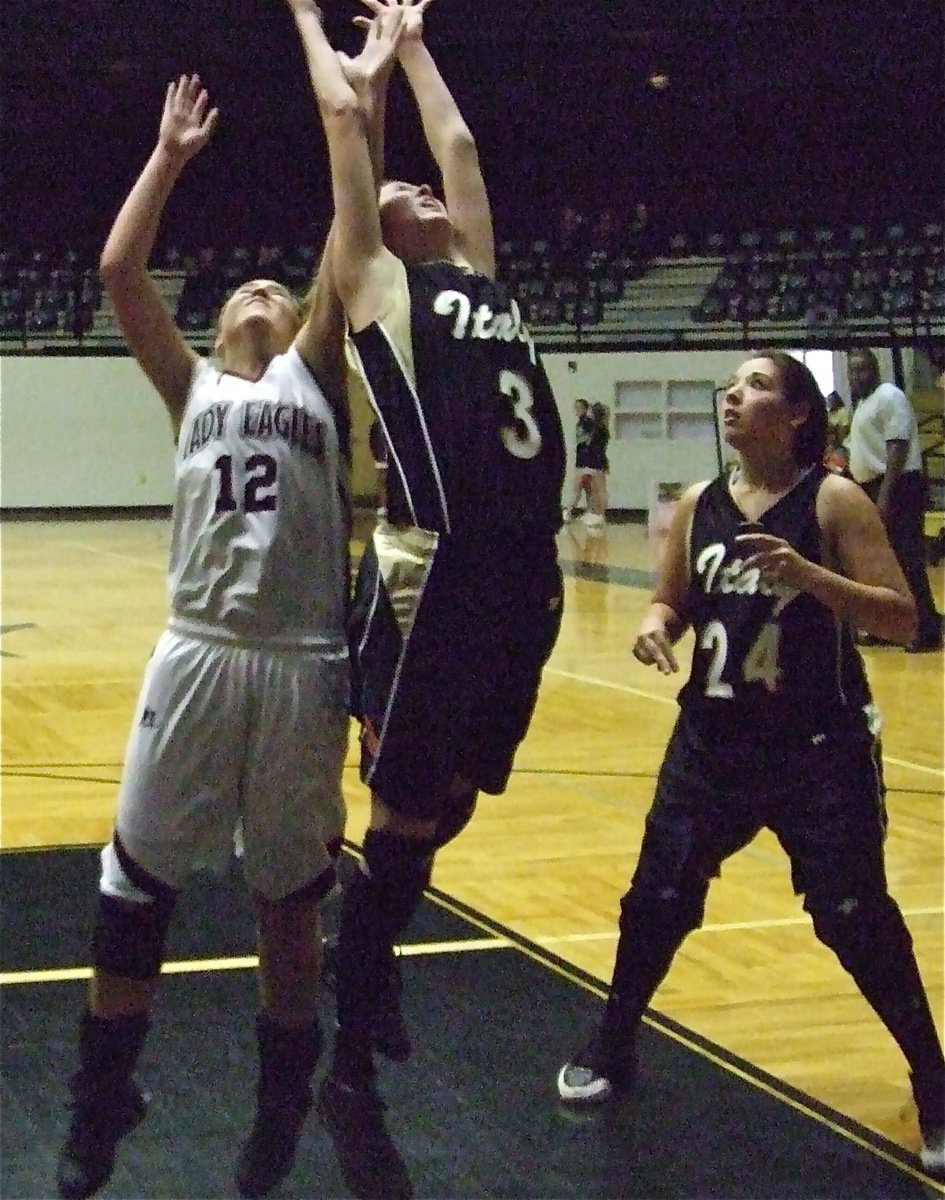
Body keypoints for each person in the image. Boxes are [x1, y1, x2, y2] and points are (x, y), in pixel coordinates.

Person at [53, 55, 366, 1199]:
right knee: (134, 886)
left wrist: (361, 96)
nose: (253, 295)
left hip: (297, 666)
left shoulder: (317, 378)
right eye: (238, 292)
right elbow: (119, 267)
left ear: (294, 324)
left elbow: (347, 235)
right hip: (194, 650)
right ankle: (100, 1099)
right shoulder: (192, 391)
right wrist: (170, 157)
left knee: (288, 900)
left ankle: (281, 1103)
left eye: (273, 294)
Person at [286, 0, 566, 1188]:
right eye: (402, 197)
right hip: (438, 568)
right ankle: (349, 1034)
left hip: (525, 570)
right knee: (405, 816)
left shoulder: (480, 276)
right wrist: (316, 24)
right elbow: (351, 127)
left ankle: (374, 956)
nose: (427, 193)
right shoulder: (376, 286)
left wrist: (415, 46)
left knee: (449, 802)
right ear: (378, 229)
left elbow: (460, 152)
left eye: (428, 196)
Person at [556, 351, 945, 1179]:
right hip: (710, 743)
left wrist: (811, 577)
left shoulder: (832, 500)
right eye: (729, 388)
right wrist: (656, 626)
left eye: (757, 386)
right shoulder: (700, 503)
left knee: (851, 914)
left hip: (815, 747)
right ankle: (613, 1039)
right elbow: (673, 599)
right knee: (657, 897)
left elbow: (907, 620)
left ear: (798, 414)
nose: (733, 396)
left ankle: (932, 1079)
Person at [847, 348, 943, 651]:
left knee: (906, 560)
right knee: (881, 564)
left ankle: (927, 630)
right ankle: (889, 628)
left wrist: (884, 498)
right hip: (872, 488)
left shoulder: (889, 396)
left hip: (897, 487)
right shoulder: (864, 403)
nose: (856, 376)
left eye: (862, 369)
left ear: (875, 369)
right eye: (852, 370)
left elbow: (897, 447)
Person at [563, 398, 598, 521]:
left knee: (578, 487)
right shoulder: (580, 423)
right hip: (582, 460)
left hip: (587, 461)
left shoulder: (588, 423)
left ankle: (568, 512)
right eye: (575, 407)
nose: (576, 410)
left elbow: (590, 439)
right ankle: (590, 512)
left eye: (579, 407)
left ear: (585, 409)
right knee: (587, 488)